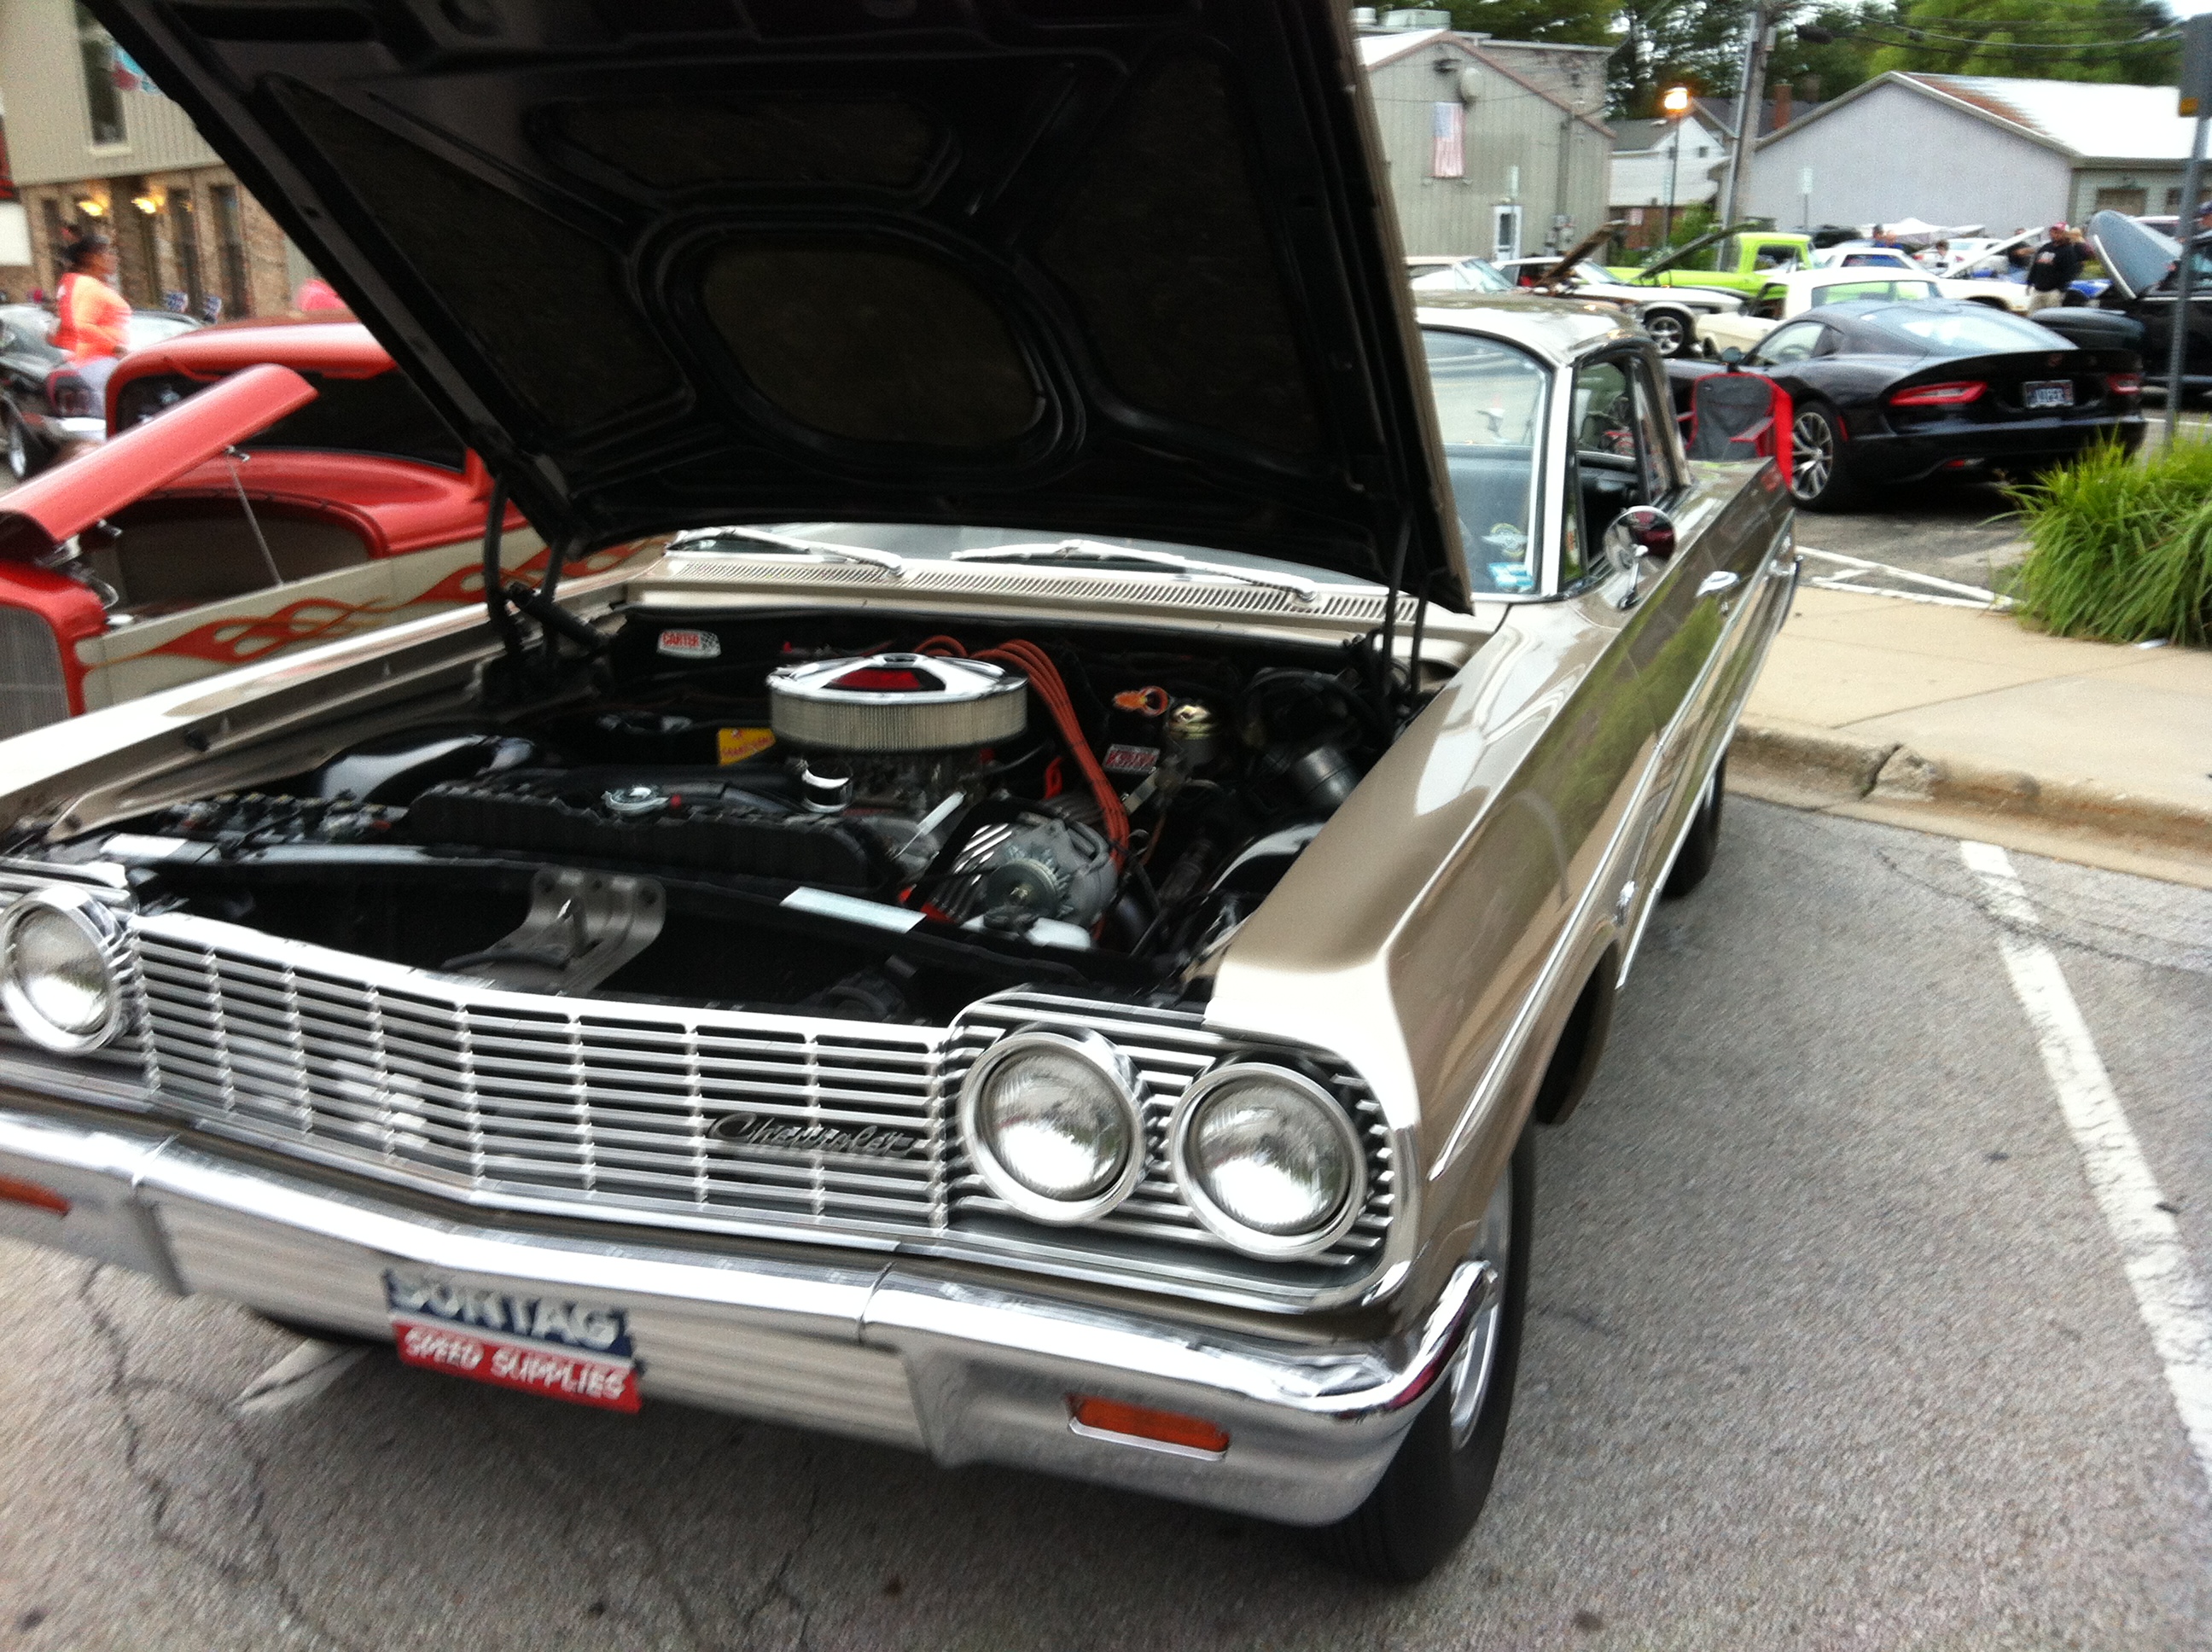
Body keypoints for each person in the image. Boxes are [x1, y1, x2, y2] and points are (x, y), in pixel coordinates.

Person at [49, 235, 131, 401]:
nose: (114, 258)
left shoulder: (84, 284)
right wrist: (116, 347)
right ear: (92, 258)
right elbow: (82, 324)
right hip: (99, 363)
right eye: (109, 253)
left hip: (97, 362)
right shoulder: (89, 287)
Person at [2025, 224, 2082, 311]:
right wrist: (2030, 282)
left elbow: (2071, 271)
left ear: (2065, 234)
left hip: (2054, 291)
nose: (2054, 235)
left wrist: (2061, 288)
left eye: (2058, 232)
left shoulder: (2068, 251)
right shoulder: (2045, 247)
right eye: (2052, 232)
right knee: (2033, 314)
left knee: (2051, 315)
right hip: (2038, 289)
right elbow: (2036, 266)